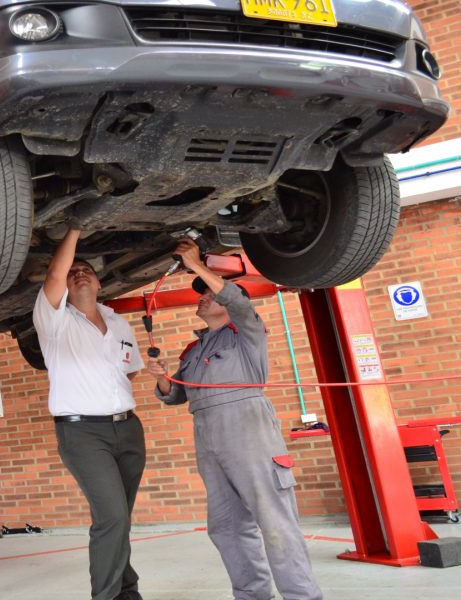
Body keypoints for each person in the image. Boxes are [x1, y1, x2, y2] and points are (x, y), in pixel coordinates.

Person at [147, 240, 322, 600]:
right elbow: (178, 395)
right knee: (226, 527)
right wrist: (164, 378)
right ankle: (252, 595)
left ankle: (303, 597)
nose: (202, 297)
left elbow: (239, 302)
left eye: (208, 294)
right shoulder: (194, 351)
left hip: (248, 429)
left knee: (275, 523)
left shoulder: (247, 333)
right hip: (208, 437)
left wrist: (197, 265)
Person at [33, 225, 146, 600]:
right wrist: (76, 229)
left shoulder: (118, 322)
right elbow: (53, 275)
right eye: (73, 271)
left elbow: (128, 367)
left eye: (88, 270)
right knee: (111, 517)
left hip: (128, 430)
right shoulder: (54, 321)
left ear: (99, 284)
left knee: (120, 520)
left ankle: (128, 592)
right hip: (83, 435)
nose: (80, 273)